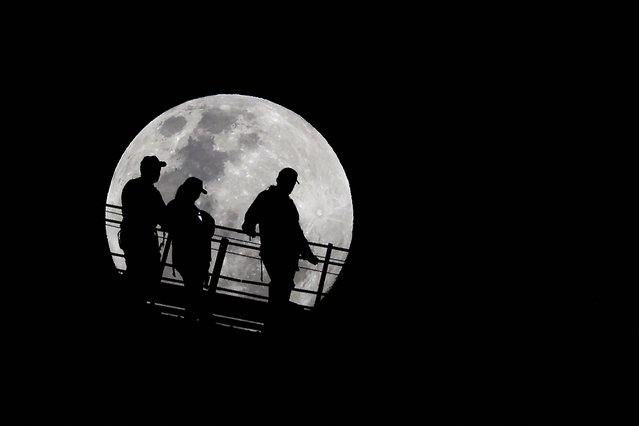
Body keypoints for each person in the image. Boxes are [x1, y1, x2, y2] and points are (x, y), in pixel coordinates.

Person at [241, 167, 319, 337]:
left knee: (280, 288)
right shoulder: (286, 204)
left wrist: (250, 228)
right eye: (291, 183)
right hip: (284, 255)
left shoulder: (266, 197)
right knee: (281, 288)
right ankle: (275, 326)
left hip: (273, 252)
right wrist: (307, 254)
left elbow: (249, 219)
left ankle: (272, 326)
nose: (291, 186)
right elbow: (296, 233)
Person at [119, 155, 168, 316]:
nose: (159, 173)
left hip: (129, 235)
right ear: (151, 171)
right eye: (157, 169)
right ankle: (137, 305)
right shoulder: (152, 193)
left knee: (133, 269)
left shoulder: (131, 185)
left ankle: (133, 303)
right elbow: (164, 218)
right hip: (144, 239)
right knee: (145, 272)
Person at [165, 177, 216, 324]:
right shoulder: (190, 211)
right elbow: (200, 231)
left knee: (193, 287)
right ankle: (197, 317)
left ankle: (195, 316)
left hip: (184, 255)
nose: (197, 195)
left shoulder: (176, 206)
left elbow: (168, 224)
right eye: (197, 192)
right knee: (194, 288)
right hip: (193, 257)